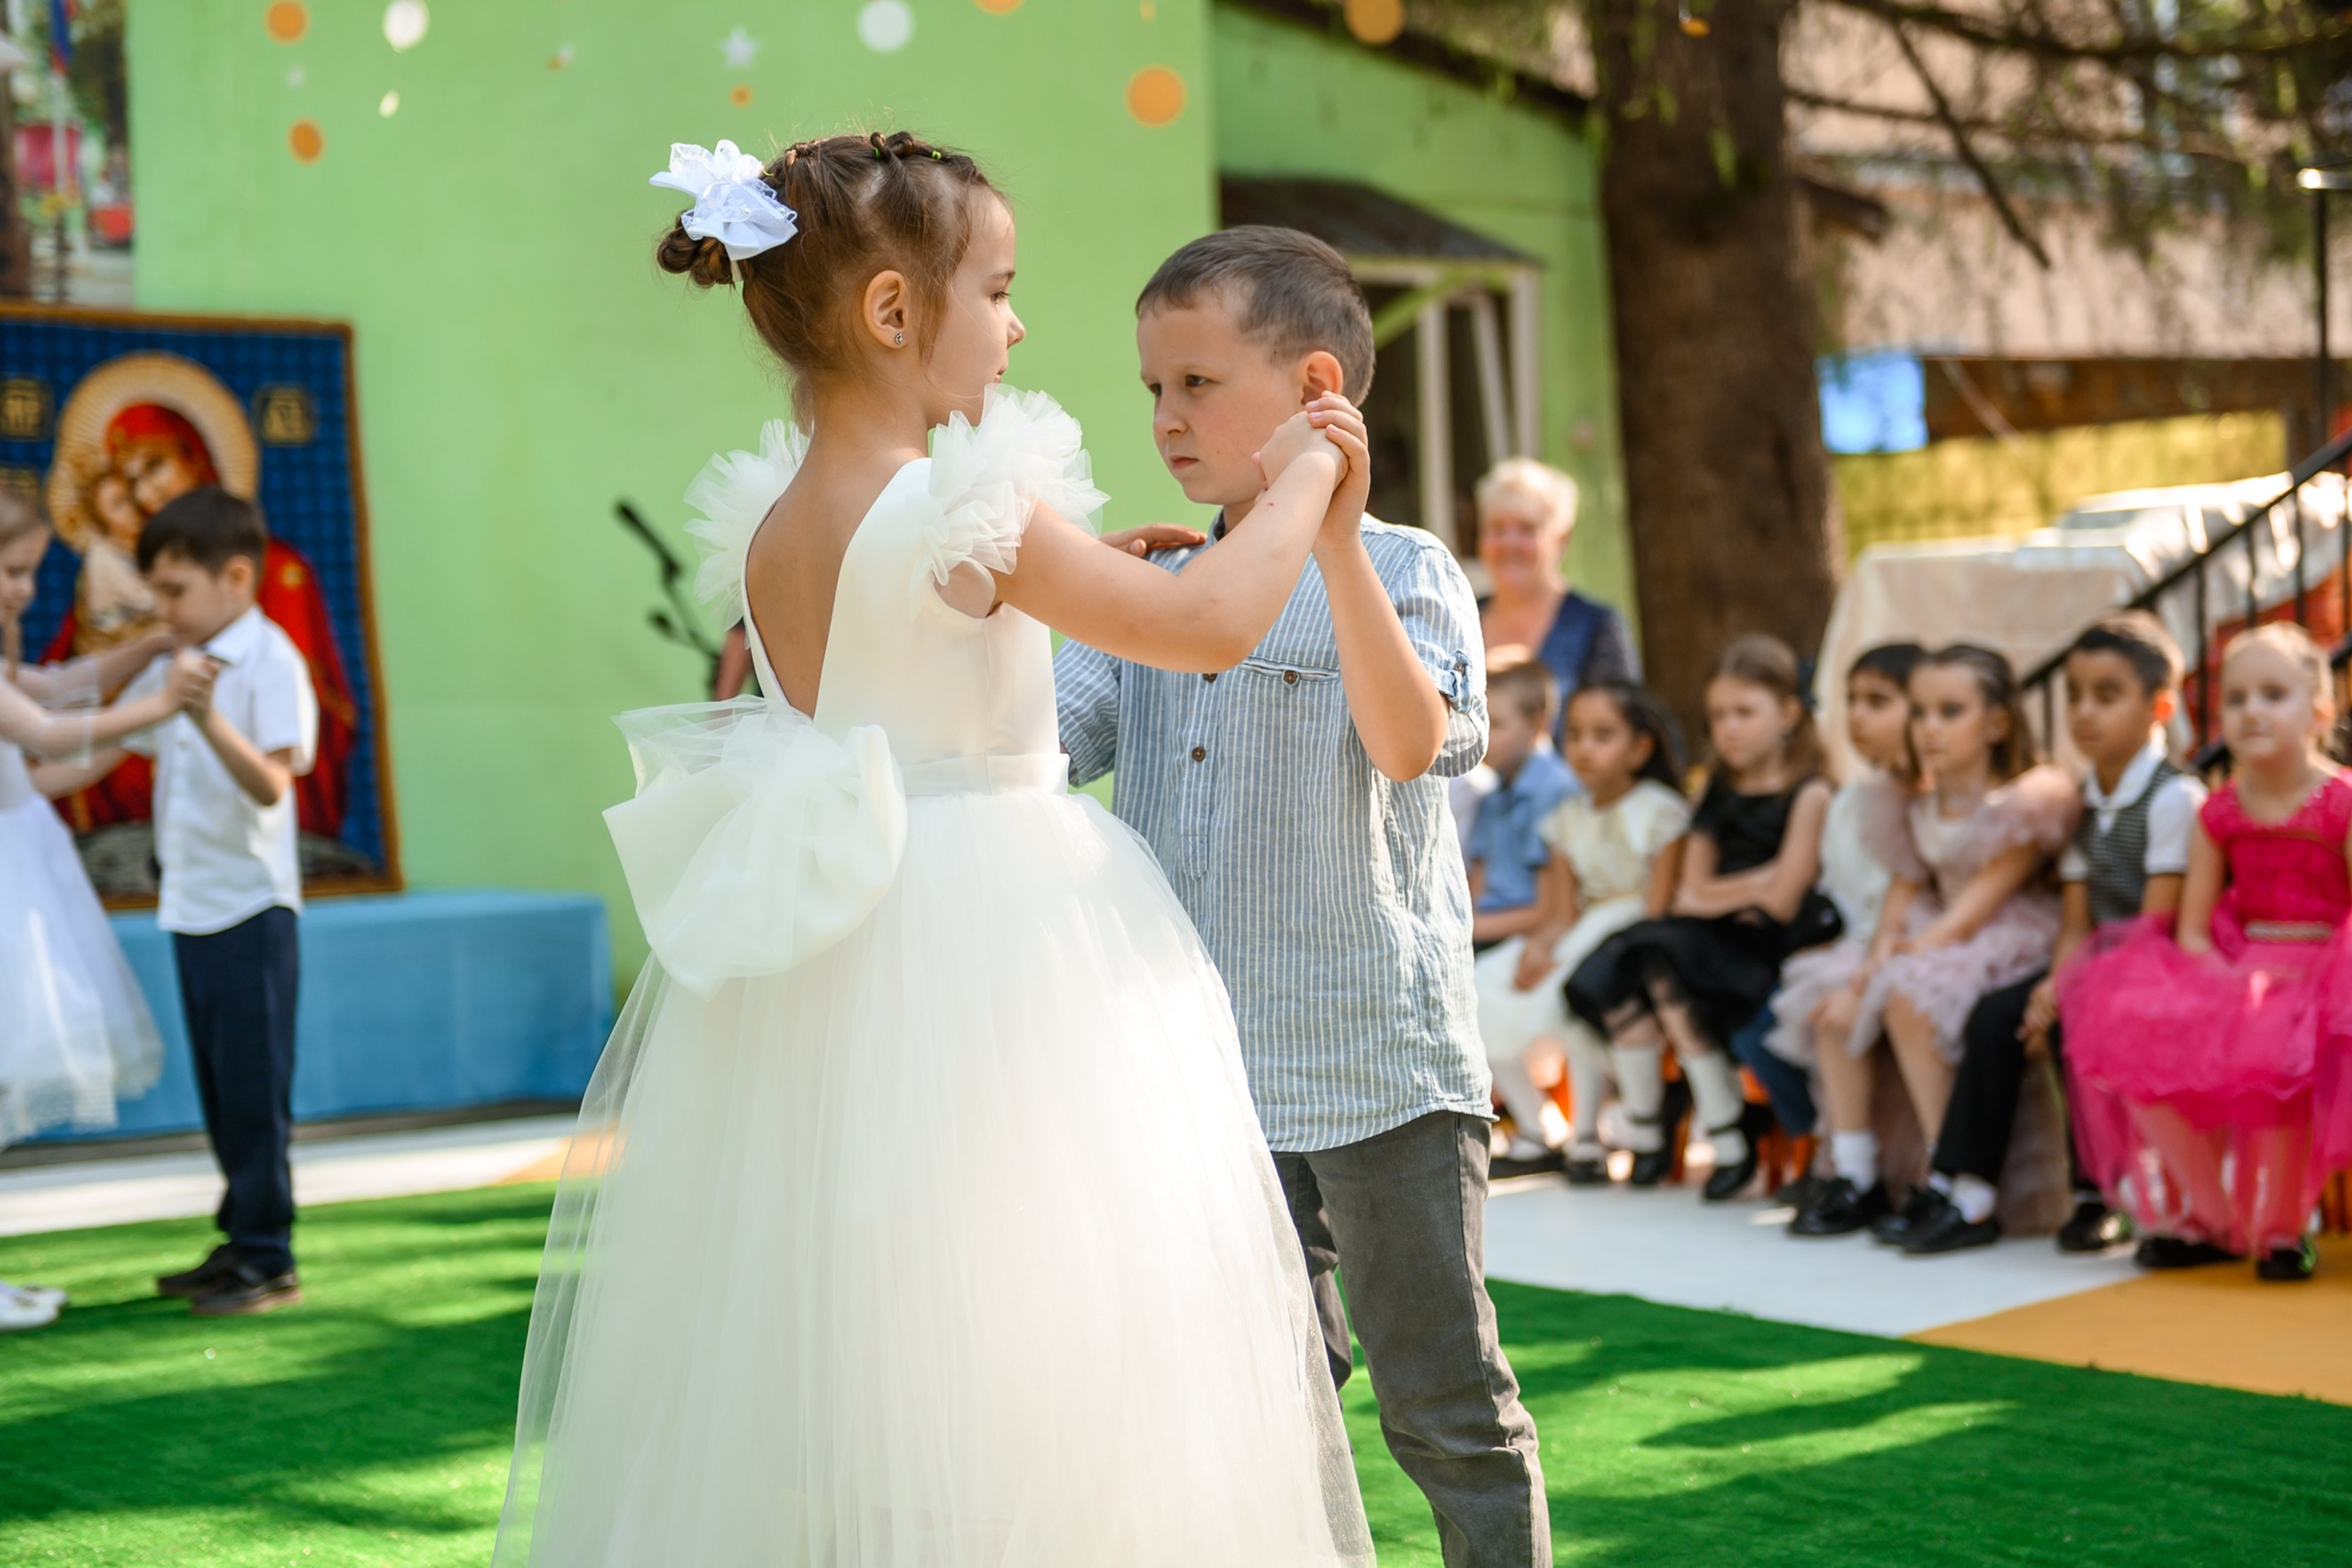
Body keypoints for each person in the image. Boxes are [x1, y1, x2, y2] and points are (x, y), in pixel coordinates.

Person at [495, 135, 1374, 1563]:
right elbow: (1213, 623)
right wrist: (1302, 486)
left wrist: (1069, 582)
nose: (1019, 325)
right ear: (896, 315)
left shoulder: (781, 518)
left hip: (859, 944)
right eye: (1001, 290)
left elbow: (901, 659)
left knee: (888, 1338)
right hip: (999, 939)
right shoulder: (965, 509)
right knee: (1044, 1330)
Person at [1058, 224, 1550, 1566]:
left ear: (1316, 386)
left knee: (1444, 1406)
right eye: (1152, 387)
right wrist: (1049, 589)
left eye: (1197, 384)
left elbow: (1412, 744)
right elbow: (1033, 755)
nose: (1164, 418)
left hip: (1376, 1060)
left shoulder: (1405, 571)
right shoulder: (1152, 589)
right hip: (1204, 1077)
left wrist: (1329, 537)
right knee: (1252, 1402)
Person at [1899, 615, 2201, 1257]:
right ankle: (1967, 1189)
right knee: (1996, 1014)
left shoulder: (2174, 799)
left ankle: (2100, 1191)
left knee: (2073, 1022)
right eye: (2074, 694)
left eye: (2106, 694)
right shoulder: (2081, 800)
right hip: (2095, 959)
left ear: (2160, 707)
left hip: (2158, 964)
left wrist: (2068, 990)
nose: (2084, 712)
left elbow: (2155, 925)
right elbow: (2073, 919)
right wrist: (2052, 983)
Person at [2063, 624, 2352, 1283]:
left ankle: (2280, 1229)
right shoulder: (2218, 811)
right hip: (2241, 966)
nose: (2251, 711)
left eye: (2273, 694)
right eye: (2236, 697)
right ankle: (2211, 1216)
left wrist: (2306, 988)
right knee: (2134, 1047)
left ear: (2320, 709)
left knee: (2273, 1057)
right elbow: (2190, 928)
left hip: (2331, 971)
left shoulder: (2342, 802)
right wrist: (2227, 985)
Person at [1789, 645, 2078, 1239]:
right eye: (1920, 712)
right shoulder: (1912, 805)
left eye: (1950, 711)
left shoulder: (2024, 805)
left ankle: (1948, 1177)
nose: (1929, 728)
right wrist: (1868, 969)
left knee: (1905, 995)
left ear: (1996, 722)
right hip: (1935, 931)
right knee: (1833, 998)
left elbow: (1972, 913)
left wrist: (1885, 975)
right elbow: (1898, 907)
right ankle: (1855, 1171)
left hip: (2001, 935)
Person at [0, 491, 200, 1333]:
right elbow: (42, 728)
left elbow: (58, 686)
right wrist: (162, 700)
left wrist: (150, 645)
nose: (25, 591)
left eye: (30, 572)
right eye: (12, 571)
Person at [126, 489, 321, 1317]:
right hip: (191, 904)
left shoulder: (270, 660)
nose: (162, 610)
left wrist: (205, 717)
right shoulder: (178, 663)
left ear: (236, 577)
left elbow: (274, 784)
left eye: (174, 591)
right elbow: (120, 733)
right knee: (219, 1085)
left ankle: (271, 1255)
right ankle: (240, 1236)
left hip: (251, 908)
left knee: (254, 1086)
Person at [1566, 635, 1835, 1201]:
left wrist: (1739, 890)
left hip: (1767, 947)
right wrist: (1756, 881)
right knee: (1645, 956)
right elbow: (1689, 893)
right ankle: (1699, 1126)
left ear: (1789, 713)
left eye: (1744, 713)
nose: (1727, 729)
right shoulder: (1718, 788)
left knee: (1658, 957)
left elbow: (1783, 901)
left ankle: (1699, 1124)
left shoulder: (1810, 793)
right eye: (1717, 716)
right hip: (1708, 940)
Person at [1476, 682, 1689, 1183]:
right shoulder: (1565, 820)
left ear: (1640, 747)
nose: (1585, 748)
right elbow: (1560, 910)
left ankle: (1590, 1137)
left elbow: (1656, 907)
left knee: (1575, 995)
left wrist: (1565, 953)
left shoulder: (1660, 809)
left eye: (1603, 735)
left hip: (1629, 934)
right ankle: (1534, 1127)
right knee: (1478, 988)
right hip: (1578, 927)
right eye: (1575, 735)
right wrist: (1542, 947)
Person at [1753, 642, 1926, 1185]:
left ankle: (1876, 1169)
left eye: (1878, 701)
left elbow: (1910, 899)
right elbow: (1843, 894)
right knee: (1788, 1012)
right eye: (1851, 700)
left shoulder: (1928, 801)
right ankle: (1844, 1164)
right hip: (1860, 943)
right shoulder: (1850, 800)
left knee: (1838, 999)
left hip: (1915, 943)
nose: (1856, 715)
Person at [1476, 457, 1638, 714]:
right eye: (1497, 529)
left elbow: (1620, 725)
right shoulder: (1461, 617)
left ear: (1561, 539)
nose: (1509, 543)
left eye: (1527, 529)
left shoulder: (1597, 626)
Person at [1467, 658, 1578, 954]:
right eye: (1479, 720)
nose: (1483, 735)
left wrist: (1465, 930)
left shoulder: (1553, 792)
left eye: (1497, 724)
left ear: (1537, 724)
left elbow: (1548, 910)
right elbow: (1478, 881)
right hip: (1484, 925)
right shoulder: (1494, 790)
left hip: (1521, 935)